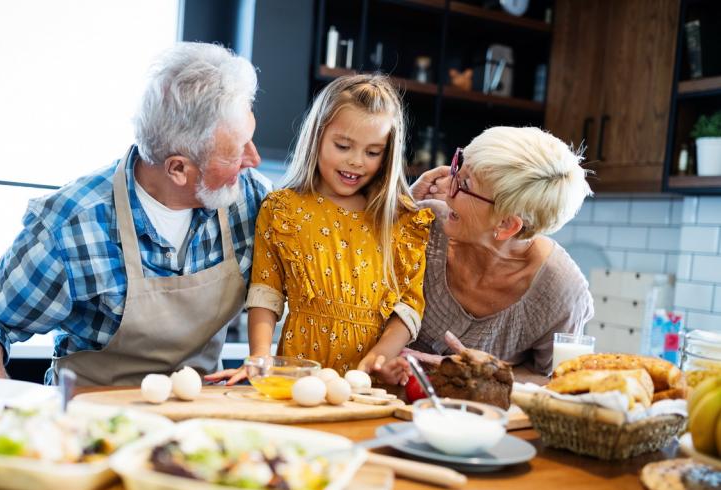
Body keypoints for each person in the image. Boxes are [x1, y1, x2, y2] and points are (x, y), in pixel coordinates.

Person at [0, 42, 269, 386]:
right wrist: (4, 406)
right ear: (178, 168)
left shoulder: (248, 198)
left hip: (197, 419)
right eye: (237, 151)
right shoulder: (73, 225)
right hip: (91, 421)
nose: (254, 159)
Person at [208, 74, 434, 386]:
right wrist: (261, 357)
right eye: (343, 146)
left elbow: (409, 308)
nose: (356, 161)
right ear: (317, 136)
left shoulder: (401, 222)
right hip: (300, 379)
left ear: (388, 154)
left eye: (373, 152)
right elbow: (266, 294)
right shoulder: (283, 210)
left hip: (368, 385)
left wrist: (379, 358)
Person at [405, 126, 594, 382]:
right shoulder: (424, 223)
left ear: (506, 225)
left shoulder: (561, 292)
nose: (446, 185)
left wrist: (489, 376)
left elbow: (559, 383)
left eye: (465, 183)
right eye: (458, 169)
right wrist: (399, 208)